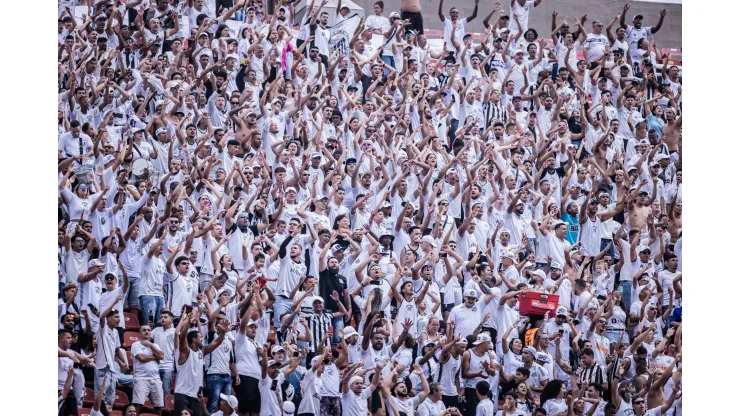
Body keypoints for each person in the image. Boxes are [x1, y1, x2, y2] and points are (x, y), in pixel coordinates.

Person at [173, 311, 230, 416]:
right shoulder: (184, 351)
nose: (202, 339)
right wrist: (188, 324)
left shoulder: (201, 352)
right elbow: (182, 339)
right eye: (200, 337)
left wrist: (223, 333)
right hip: (182, 393)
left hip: (196, 395)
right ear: (194, 340)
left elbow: (216, 342)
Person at [131, 325, 165, 414]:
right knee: (138, 405)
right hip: (141, 379)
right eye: (144, 330)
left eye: (149, 330)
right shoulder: (135, 345)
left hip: (156, 379)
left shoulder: (155, 345)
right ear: (139, 333)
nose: (147, 332)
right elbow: (142, 358)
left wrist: (150, 344)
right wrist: (155, 357)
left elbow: (161, 356)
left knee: (158, 407)